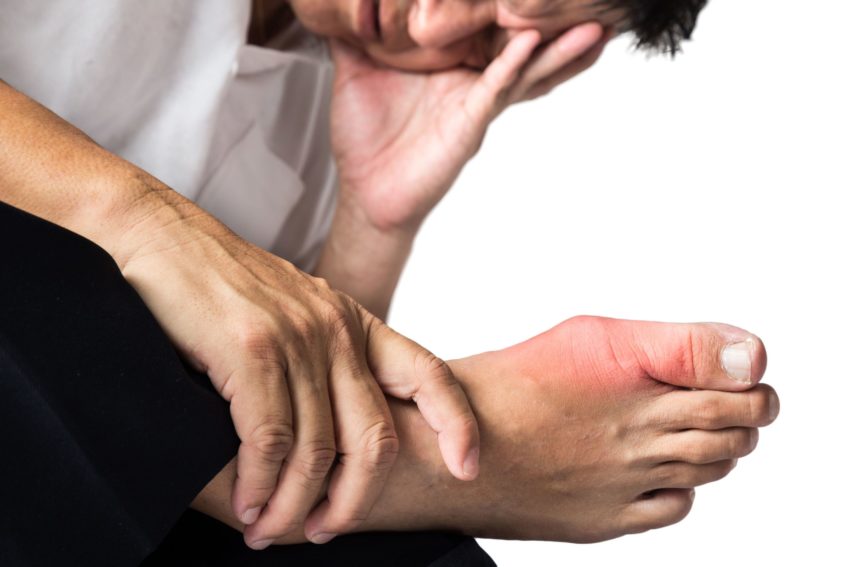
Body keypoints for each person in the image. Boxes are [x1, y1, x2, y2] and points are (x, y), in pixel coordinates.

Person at [0, 0, 776, 564]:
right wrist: (146, 224)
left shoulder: (318, 101)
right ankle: (433, 461)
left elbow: (265, 416)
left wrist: (373, 222)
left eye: (490, 33)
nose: (434, 25)